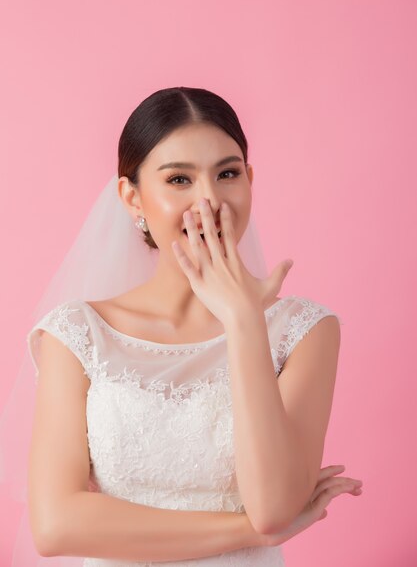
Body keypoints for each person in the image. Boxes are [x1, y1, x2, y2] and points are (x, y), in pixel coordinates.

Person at [0, 87, 362, 566]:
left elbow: (274, 509)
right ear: (132, 197)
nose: (209, 200)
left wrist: (243, 321)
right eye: (179, 180)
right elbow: (56, 525)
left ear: (250, 180)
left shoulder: (305, 330)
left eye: (227, 174)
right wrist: (247, 530)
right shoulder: (79, 333)